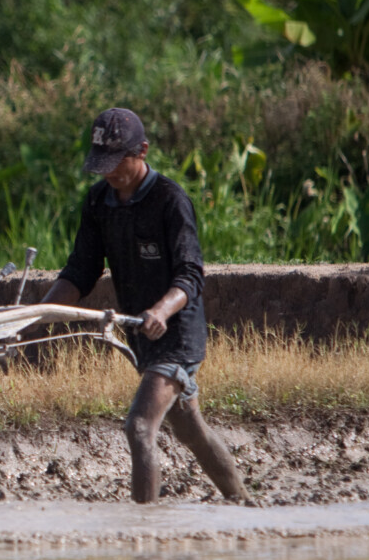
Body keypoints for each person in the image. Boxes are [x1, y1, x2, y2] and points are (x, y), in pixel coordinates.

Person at [39, 108, 246, 504]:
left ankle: (144, 532)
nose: (110, 173)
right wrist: (37, 313)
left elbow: (190, 275)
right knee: (189, 428)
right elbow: (81, 271)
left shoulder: (170, 200)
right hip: (141, 333)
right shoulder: (99, 202)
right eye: (103, 165)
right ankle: (242, 502)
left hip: (177, 331)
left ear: (143, 151)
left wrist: (161, 311)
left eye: (119, 163)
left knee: (139, 427)